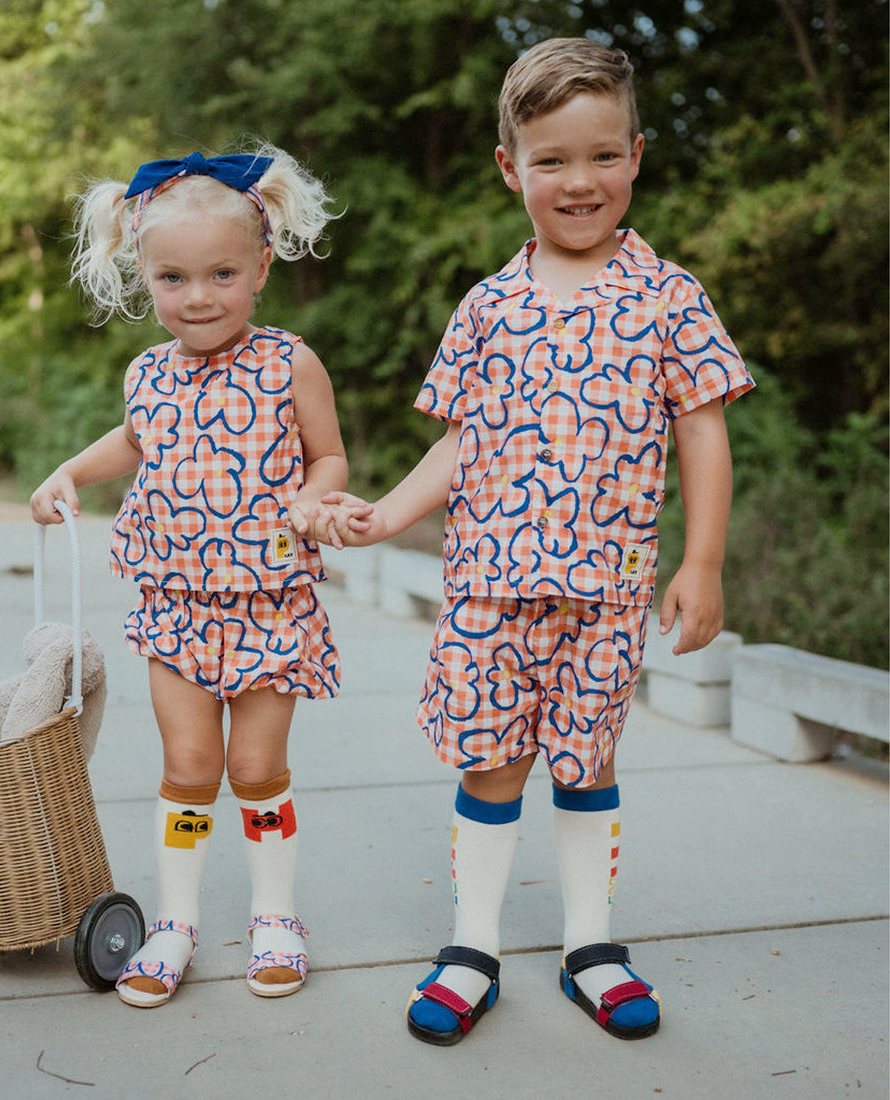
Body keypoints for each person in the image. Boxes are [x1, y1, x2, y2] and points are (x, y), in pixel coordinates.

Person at [323, 37, 754, 1043]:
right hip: (488, 592)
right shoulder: (487, 307)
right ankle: (471, 943)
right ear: (509, 168)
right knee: (490, 765)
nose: (578, 180)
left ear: (636, 155)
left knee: (585, 762)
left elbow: (702, 427)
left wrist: (700, 561)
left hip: (604, 594)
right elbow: (461, 441)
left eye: (601, 155)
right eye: (551, 160)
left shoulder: (666, 296)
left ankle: (588, 944)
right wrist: (385, 514)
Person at [31, 145, 346, 1008]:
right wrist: (68, 472)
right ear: (145, 273)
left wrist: (317, 503)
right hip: (173, 606)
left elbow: (329, 456)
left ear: (260, 267)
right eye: (173, 277)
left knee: (254, 762)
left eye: (220, 274)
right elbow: (134, 440)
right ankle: (174, 923)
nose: (198, 296)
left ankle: (276, 917)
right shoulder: (148, 374)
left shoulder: (290, 364)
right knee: (190, 761)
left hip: (271, 605)